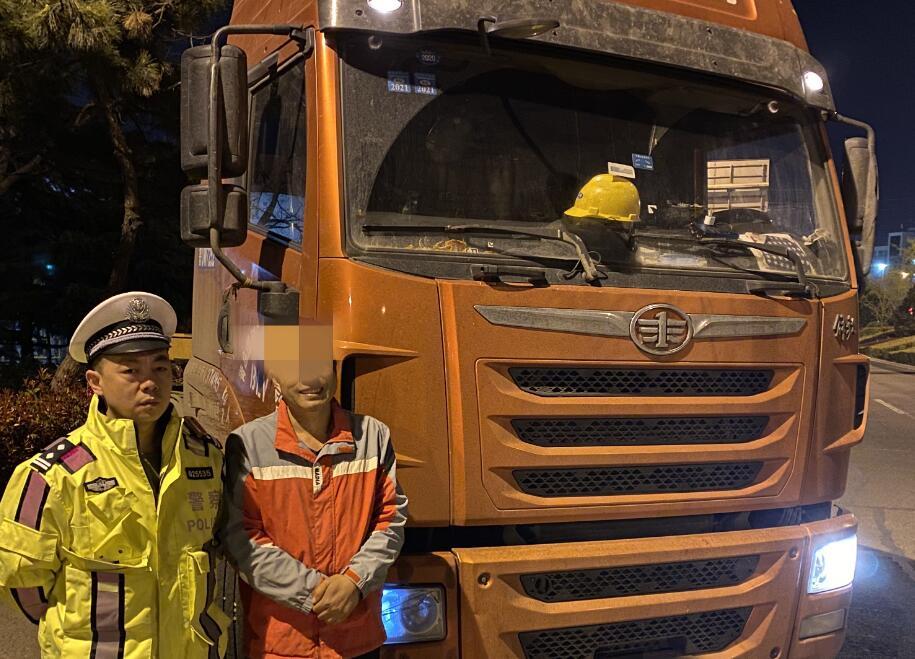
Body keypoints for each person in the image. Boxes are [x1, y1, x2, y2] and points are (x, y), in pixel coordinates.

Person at [0, 292, 228, 658]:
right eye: (130, 371)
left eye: (160, 367)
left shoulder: (204, 458)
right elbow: (23, 584)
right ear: (95, 382)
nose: (150, 382)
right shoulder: (51, 477)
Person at [221, 351, 408, 659]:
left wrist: (354, 582)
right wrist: (314, 594)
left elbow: (390, 518)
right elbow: (241, 537)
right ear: (274, 375)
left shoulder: (373, 436)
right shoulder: (248, 444)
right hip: (280, 642)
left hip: (357, 636)